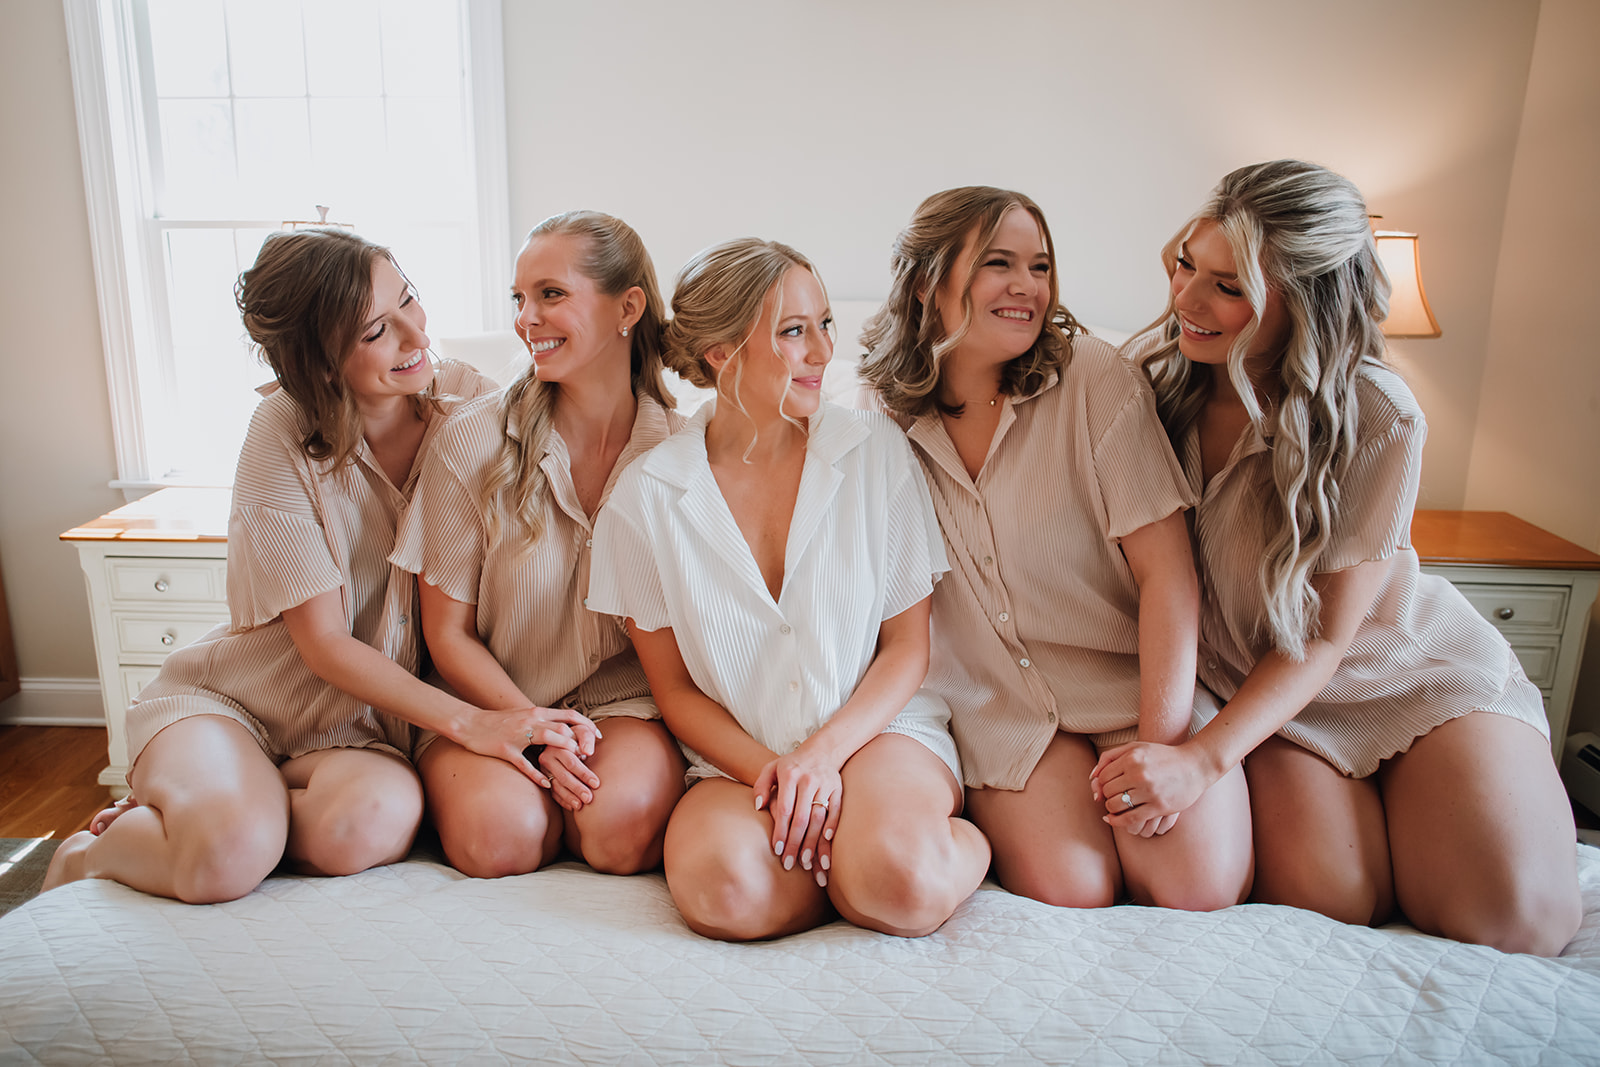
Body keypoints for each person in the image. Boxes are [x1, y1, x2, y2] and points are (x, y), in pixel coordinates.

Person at [43, 228, 584, 903]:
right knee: (226, 856)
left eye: (409, 300)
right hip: (239, 706)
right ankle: (91, 856)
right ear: (321, 361)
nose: (415, 337)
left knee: (371, 824)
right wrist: (475, 722)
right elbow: (325, 644)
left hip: (358, 736)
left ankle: (222, 811)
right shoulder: (280, 430)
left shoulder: (469, 403)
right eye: (375, 332)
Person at [1123, 159, 1580, 954]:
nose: (1187, 301)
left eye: (1229, 288)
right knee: (1328, 900)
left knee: (1516, 921)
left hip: (1399, 667)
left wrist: (1202, 760)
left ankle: (1434, 793)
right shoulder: (1152, 386)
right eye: (1186, 265)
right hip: (1267, 692)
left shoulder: (1379, 413)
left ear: (1302, 302)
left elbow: (1330, 638)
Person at [857, 187, 1253, 911]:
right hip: (1000, 710)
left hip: (1131, 691)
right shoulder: (881, 413)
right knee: (1073, 889)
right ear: (927, 281)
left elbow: (1168, 575)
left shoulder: (1096, 378)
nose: (1027, 287)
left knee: (1200, 889)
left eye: (1039, 266)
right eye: (998, 263)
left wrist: (1161, 751)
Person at [588, 238, 991, 941]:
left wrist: (822, 756)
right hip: (738, 757)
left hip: (876, 732)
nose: (822, 351)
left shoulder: (876, 450)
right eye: (794, 331)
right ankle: (845, 871)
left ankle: (929, 853)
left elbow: (906, 649)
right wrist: (778, 771)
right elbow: (675, 691)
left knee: (904, 883)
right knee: (724, 895)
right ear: (720, 352)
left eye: (825, 324)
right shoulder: (645, 497)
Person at [391, 211, 685, 878]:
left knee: (619, 835)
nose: (528, 319)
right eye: (520, 299)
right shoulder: (471, 440)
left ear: (627, 307)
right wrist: (529, 725)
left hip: (619, 702)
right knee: (505, 837)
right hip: (486, 697)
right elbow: (447, 635)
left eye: (551, 294)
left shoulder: (681, 455)